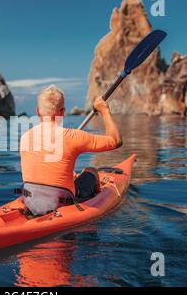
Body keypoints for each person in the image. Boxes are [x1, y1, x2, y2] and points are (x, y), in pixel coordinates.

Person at [19, 85, 122, 216]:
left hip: (31, 201)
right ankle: (94, 199)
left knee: (72, 176)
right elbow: (116, 140)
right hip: (63, 203)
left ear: (38, 111)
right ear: (62, 112)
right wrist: (104, 110)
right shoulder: (73, 136)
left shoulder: (25, 137)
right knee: (90, 171)